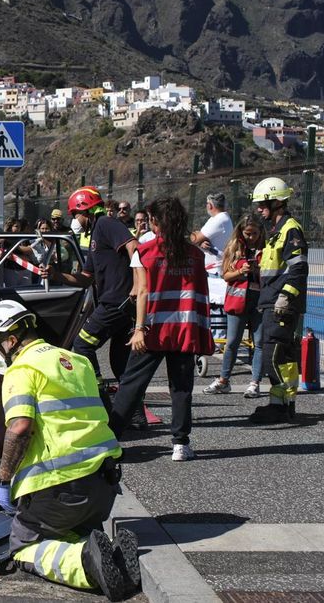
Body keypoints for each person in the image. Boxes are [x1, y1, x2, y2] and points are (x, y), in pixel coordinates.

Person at [0, 300, 137, 600]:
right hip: (103, 486)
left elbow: (19, 428)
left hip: (62, 489)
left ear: (10, 339)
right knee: (66, 533)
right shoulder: (77, 361)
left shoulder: (22, 368)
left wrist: (3, 480)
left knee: (23, 545)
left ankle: (87, 564)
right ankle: (106, 553)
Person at [109, 198, 214, 461]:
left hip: (153, 329)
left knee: (131, 384)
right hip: (184, 328)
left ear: (154, 222)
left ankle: (110, 440)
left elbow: (142, 291)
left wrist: (139, 329)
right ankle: (180, 443)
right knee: (181, 387)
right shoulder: (195, 254)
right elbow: (199, 293)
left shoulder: (145, 252)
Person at [46, 187, 138, 390]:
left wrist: (139, 284)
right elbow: (86, 278)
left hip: (116, 301)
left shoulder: (106, 223)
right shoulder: (96, 234)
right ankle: (134, 414)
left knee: (82, 344)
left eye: (75, 214)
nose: (74, 219)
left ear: (85, 209)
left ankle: (99, 393)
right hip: (119, 303)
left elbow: (133, 246)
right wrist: (57, 275)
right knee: (119, 362)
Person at [248, 177, 309, 424]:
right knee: (283, 356)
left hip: (280, 305)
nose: (259, 209)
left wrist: (285, 297)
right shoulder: (276, 230)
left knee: (273, 356)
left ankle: (280, 405)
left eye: (263, 204)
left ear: (277, 203)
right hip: (271, 301)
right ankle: (283, 404)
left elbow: (298, 269)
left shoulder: (290, 229)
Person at [204, 216, 265, 396]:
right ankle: (224, 380)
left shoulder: (267, 249)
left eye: (255, 233)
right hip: (237, 301)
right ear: (241, 232)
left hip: (259, 301)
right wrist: (240, 271)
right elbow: (225, 276)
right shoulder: (234, 248)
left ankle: (255, 383)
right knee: (232, 342)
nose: (251, 237)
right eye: (248, 234)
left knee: (259, 342)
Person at [190, 192, 232, 272]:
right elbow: (198, 239)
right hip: (212, 269)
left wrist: (196, 236)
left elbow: (195, 239)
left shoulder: (219, 219)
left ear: (210, 205)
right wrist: (200, 242)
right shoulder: (218, 218)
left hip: (214, 272)